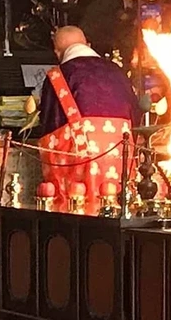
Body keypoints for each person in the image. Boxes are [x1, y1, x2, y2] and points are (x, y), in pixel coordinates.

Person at [39, 26, 141, 200]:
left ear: (57, 52)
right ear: (88, 44)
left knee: (78, 205)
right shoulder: (118, 72)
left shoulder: (57, 76)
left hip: (78, 163)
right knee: (118, 203)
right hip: (120, 154)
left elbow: (49, 123)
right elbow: (136, 115)